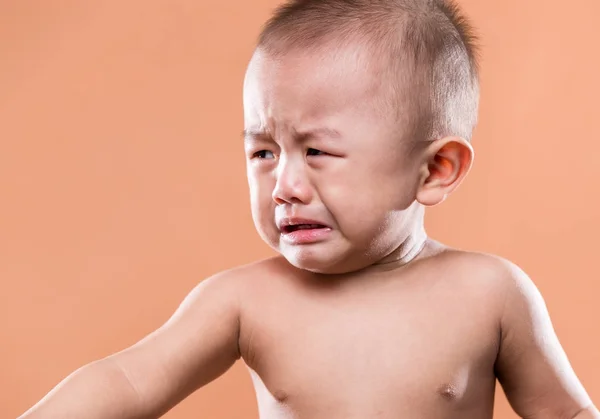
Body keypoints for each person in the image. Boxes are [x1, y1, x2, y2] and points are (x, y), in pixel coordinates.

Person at [18, 0, 599, 418]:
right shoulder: (244, 301)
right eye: (263, 151)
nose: (284, 185)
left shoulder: (490, 293)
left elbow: (564, 412)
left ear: (434, 169)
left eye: (317, 151)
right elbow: (128, 378)